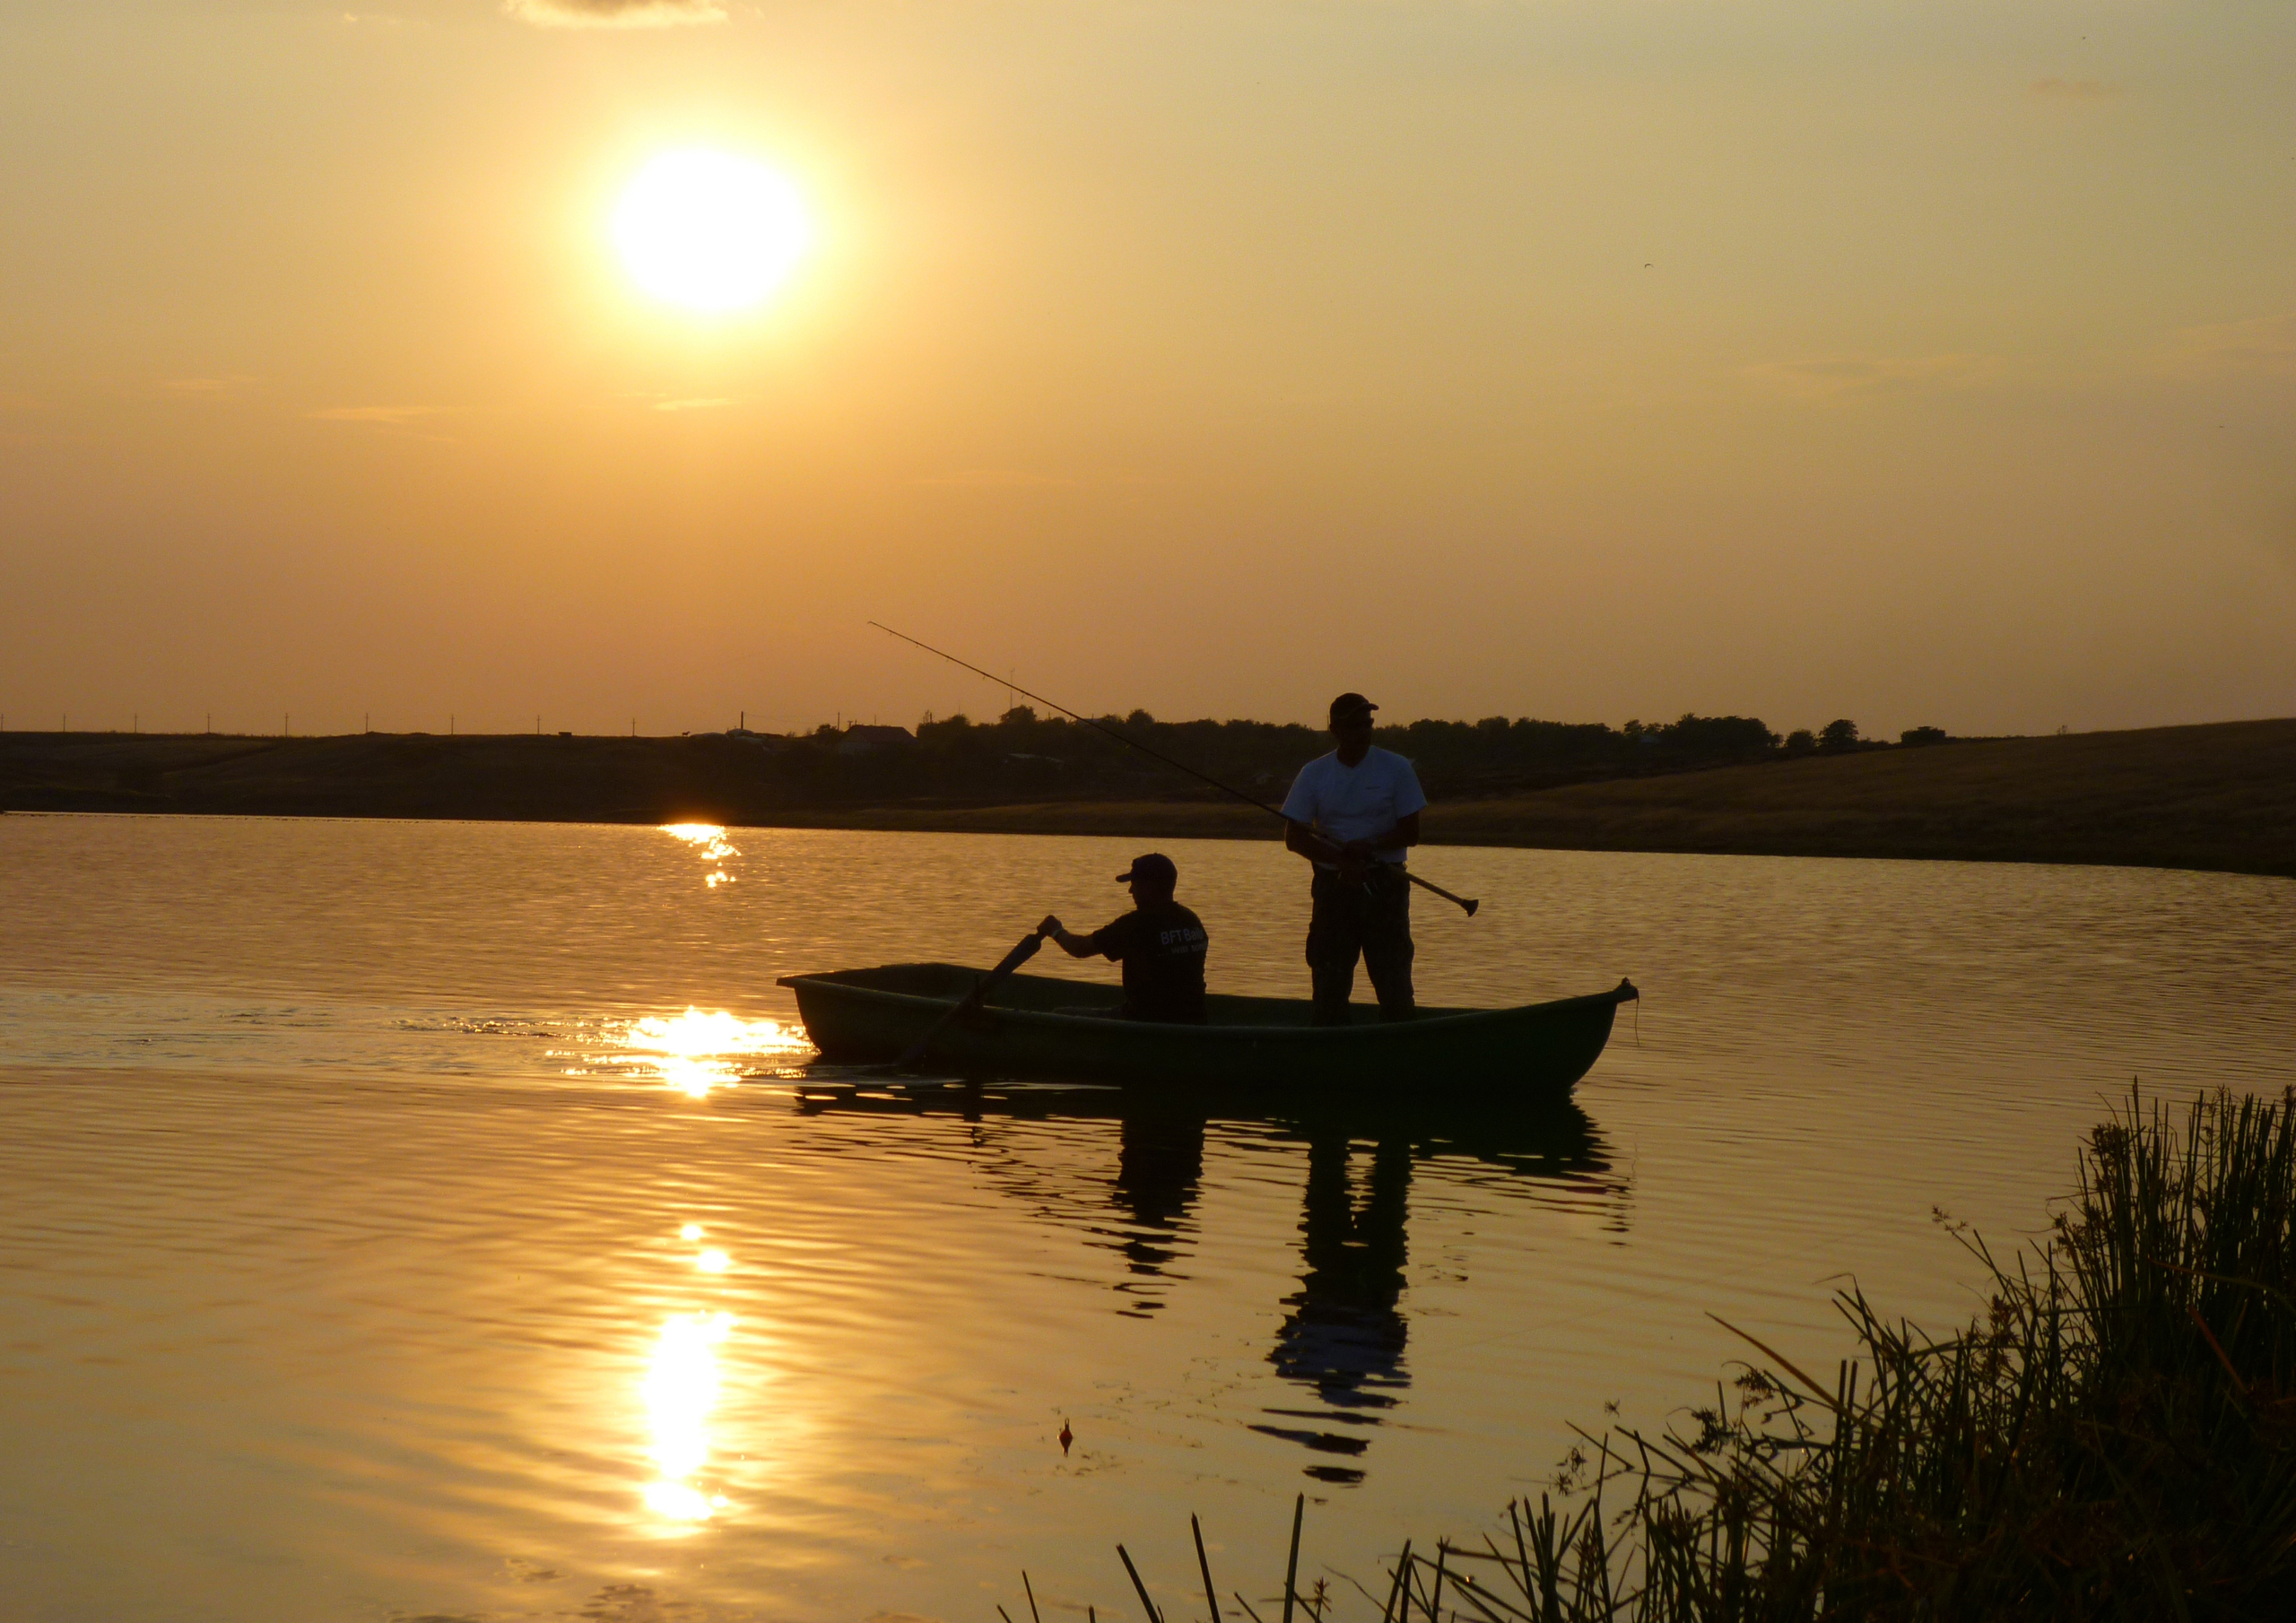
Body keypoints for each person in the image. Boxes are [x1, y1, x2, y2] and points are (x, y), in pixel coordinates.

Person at [1281, 692, 1425, 1024]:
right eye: (1356, 725)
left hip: (1386, 881)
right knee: (1329, 980)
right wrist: (1342, 861)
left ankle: (1402, 1045)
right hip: (1333, 887)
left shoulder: (1397, 768)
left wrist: (1370, 846)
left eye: (1368, 724)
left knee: (1394, 980)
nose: (1365, 731)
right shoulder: (1314, 773)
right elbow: (1295, 838)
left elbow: (1410, 833)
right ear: (1335, 729)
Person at [1039, 853, 1210, 1023]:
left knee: (1058, 1015)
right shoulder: (1191, 920)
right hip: (1194, 1019)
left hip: (1145, 1020)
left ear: (1148, 886)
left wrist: (1056, 931)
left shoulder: (1137, 924)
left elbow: (1080, 948)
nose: (1130, 890)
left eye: (1134, 884)